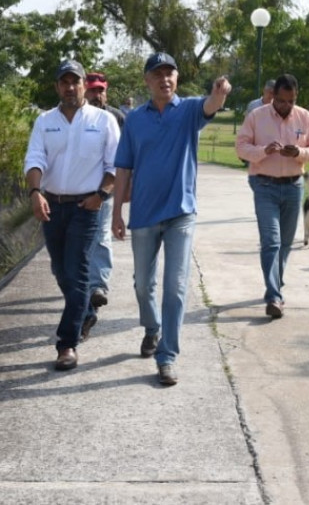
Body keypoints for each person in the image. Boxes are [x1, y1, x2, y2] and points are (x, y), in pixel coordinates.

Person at [112, 52, 231, 386]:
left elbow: (211, 105)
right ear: (147, 80)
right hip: (144, 214)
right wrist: (117, 211)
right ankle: (152, 328)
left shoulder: (189, 110)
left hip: (181, 213)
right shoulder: (135, 119)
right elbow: (123, 167)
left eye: (170, 73)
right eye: (157, 74)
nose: (164, 79)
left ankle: (167, 356)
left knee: (176, 287)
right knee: (142, 285)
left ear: (176, 78)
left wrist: (220, 93)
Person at [23, 60, 120, 370]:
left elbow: (115, 165)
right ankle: (86, 313)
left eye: (75, 82)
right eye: (64, 82)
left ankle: (67, 344)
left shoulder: (104, 120)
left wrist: (101, 196)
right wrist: (35, 192)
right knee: (60, 271)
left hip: (85, 207)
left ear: (83, 85)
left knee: (77, 272)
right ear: (57, 87)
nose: (69, 87)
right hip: (52, 205)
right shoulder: (45, 121)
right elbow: (35, 158)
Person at [234, 73, 309, 319]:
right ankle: (274, 296)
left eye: (291, 101)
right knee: (271, 241)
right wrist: (264, 150)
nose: (286, 106)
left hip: (294, 186)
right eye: (282, 100)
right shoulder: (257, 116)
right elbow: (241, 148)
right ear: (273, 96)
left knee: (285, 242)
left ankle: (276, 281)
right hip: (264, 184)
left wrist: (299, 153)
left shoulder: (305, 117)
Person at [83, 71, 124, 317]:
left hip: (105, 187)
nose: (96, 95)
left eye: (100, 90)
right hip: (76, 189)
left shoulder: (116, 117)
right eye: (92, 90)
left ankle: (98, 286)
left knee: (100, 235)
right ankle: (82, 283)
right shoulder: (74, 117)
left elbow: (129, 152)